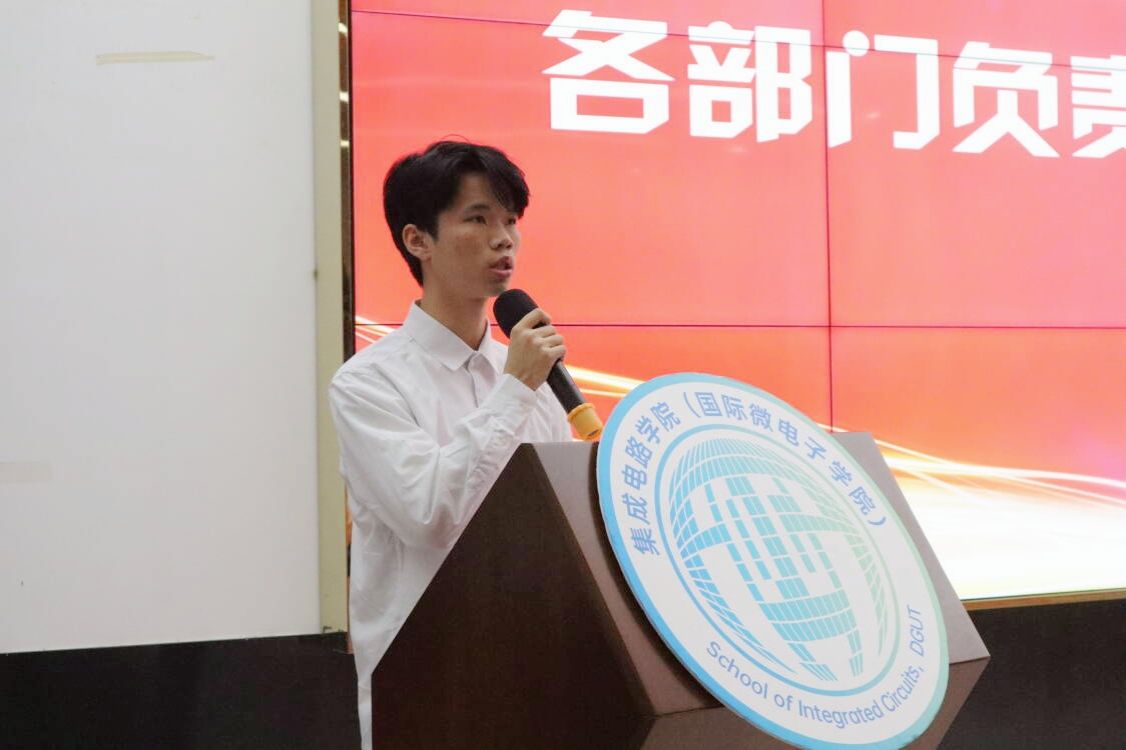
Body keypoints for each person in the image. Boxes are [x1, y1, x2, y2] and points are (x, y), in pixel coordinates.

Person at [328, 140, 572, 750]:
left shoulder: (533, 378)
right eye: (478, 218)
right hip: (430, 684)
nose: (504, 240)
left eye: (510, 220)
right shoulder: (368, 382)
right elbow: (432, 515)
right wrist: (515, 388)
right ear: (418, 240)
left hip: (540, 677)